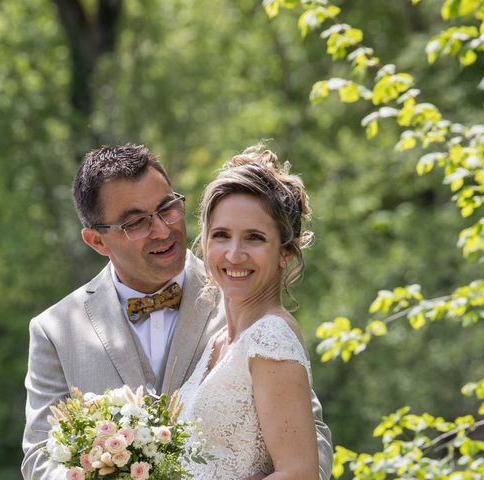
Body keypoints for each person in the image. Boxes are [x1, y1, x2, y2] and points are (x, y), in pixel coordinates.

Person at [21, 143, 333, 480]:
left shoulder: (238, 292)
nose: (162, 229)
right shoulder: (55, 330)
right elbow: (41, 459)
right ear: (98, 241)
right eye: (136, 222)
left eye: (167, 208)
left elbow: (310, 442)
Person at [178, 145, 321, 479]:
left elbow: (299, 473)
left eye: (254, 238)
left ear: (285, 252)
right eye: (222, 235)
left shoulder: (269, 339)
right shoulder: (219, 342)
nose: (234, 254)